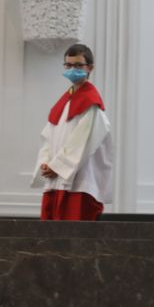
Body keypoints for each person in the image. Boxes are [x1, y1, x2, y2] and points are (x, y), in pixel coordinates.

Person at [31, 43, 114, 220]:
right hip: (56, 180)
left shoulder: (91, 104)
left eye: (78, 65)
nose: (72, 69)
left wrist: (57, 166)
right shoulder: (64, 102)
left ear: (89, 68)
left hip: (79, 183)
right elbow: (48, 137)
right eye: (68, 65)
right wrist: (46, 163)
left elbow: (81, 143)